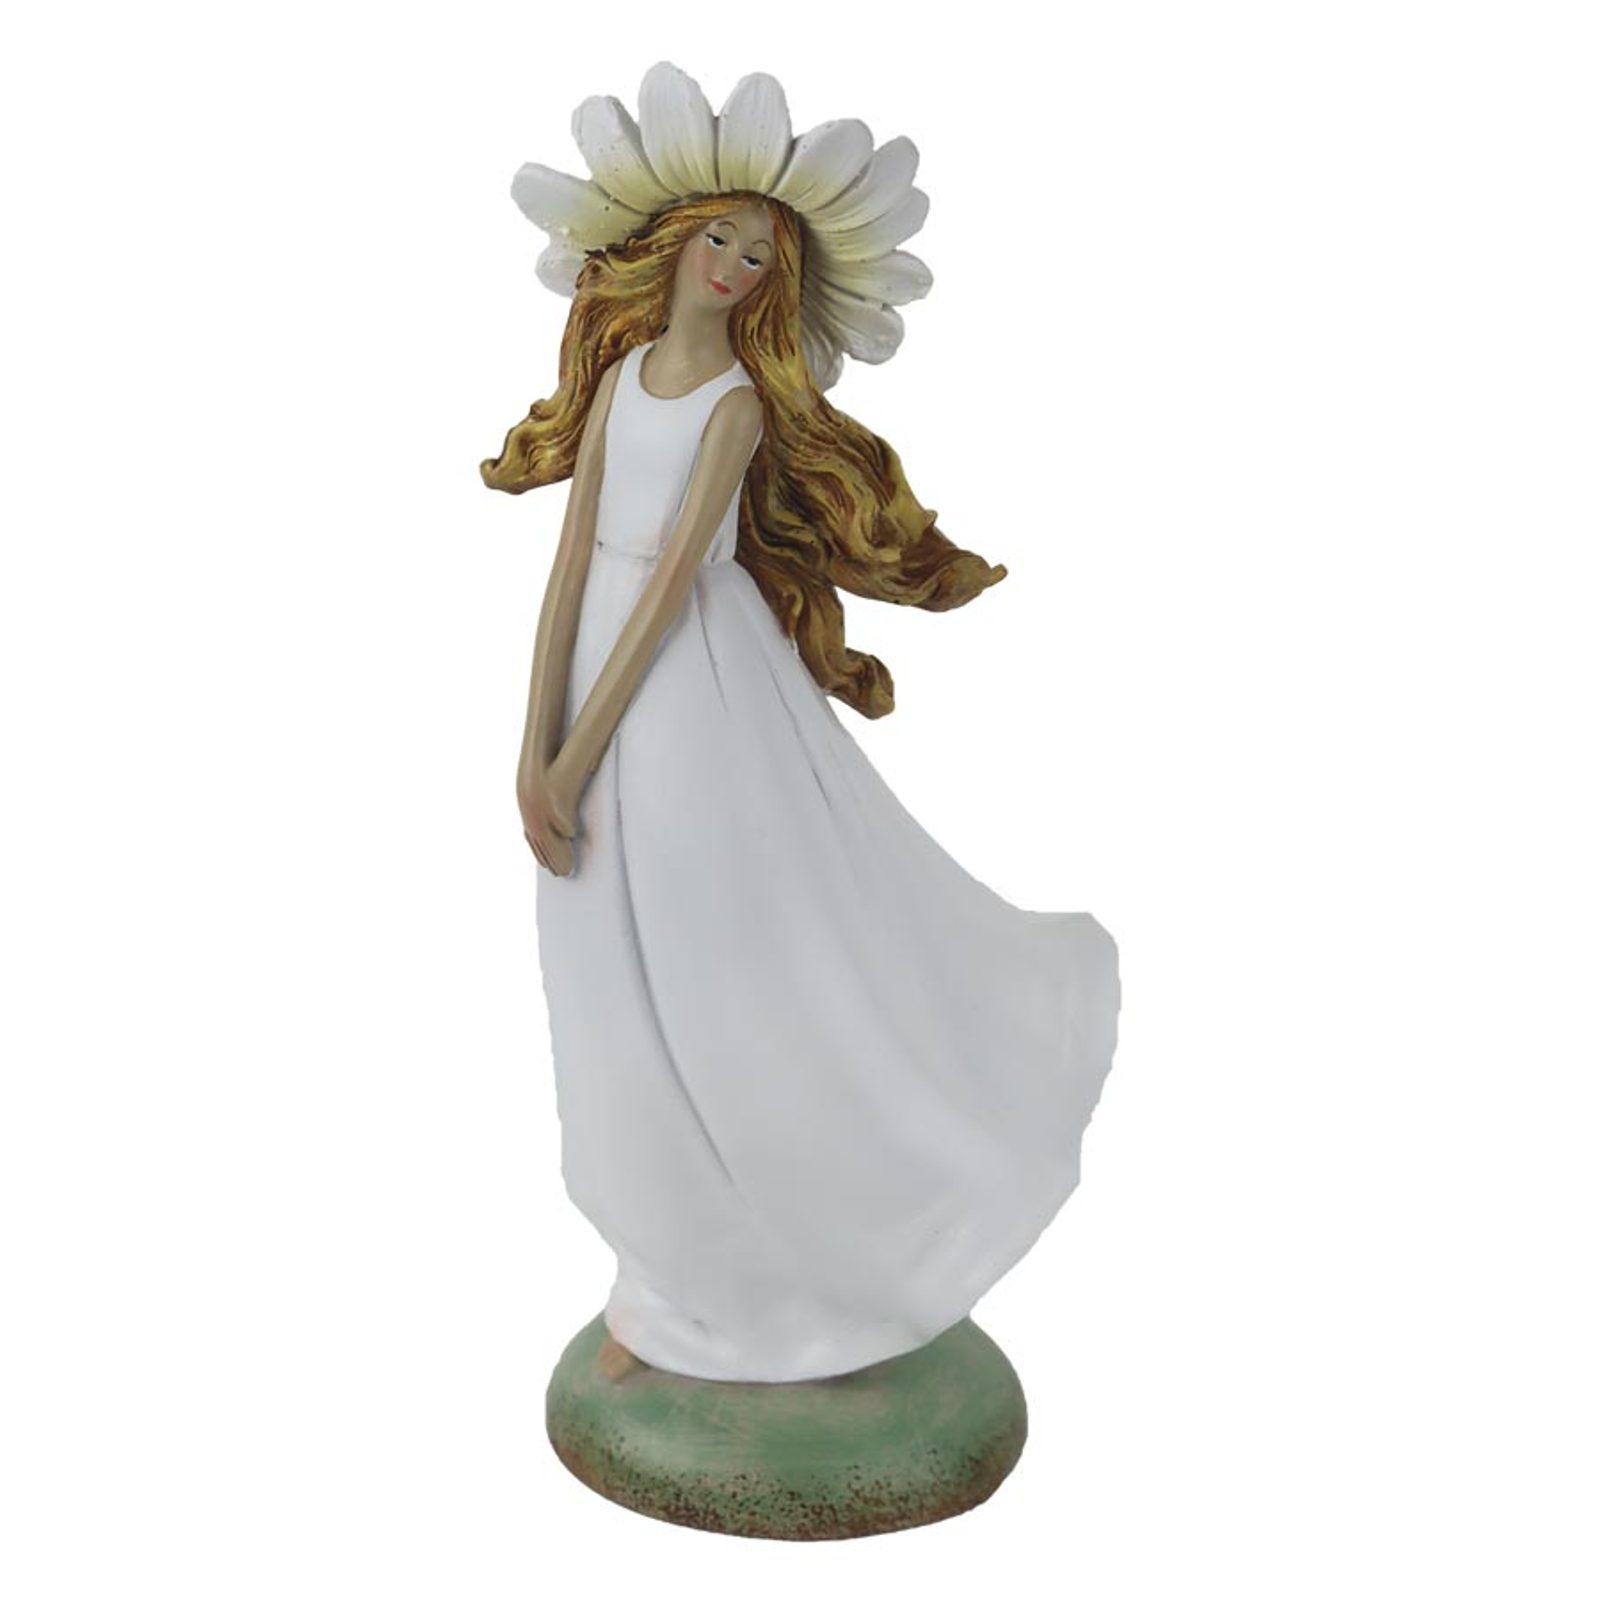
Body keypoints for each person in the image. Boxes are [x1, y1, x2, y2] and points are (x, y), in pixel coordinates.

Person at [481, 66, 1120, 1385]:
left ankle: (785, 1277)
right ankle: (668, 1283)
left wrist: (579, 754)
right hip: (597, 681)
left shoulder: (732, 408)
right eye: (718, 237)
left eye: (757, 255)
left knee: (716, 972)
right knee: (607, 982)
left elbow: (669, 584)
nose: (730, 264)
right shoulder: (621, 382)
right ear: (672, 243)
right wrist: (529, 749)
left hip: (690, 700)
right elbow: (572, 562)